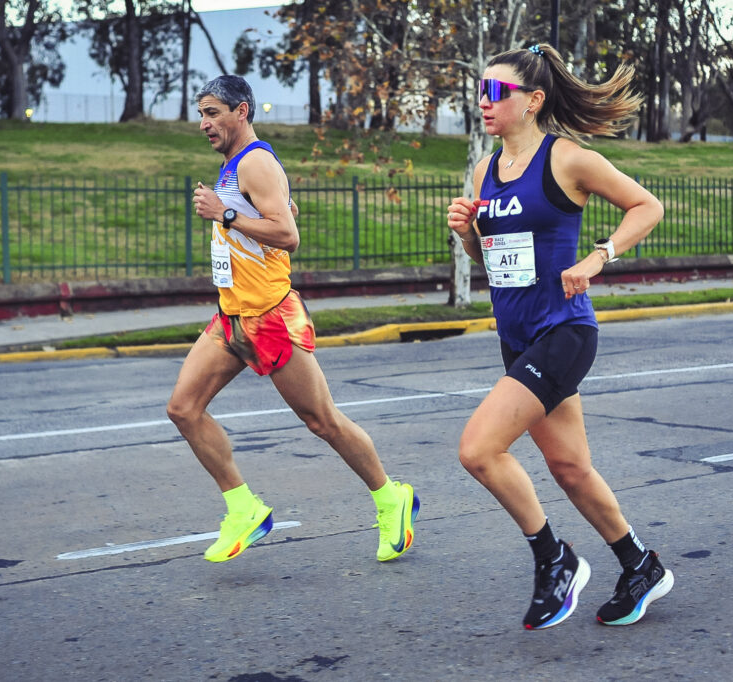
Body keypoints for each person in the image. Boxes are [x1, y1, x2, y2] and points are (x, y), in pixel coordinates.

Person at [446, 44, 671, 629]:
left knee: (478, 449)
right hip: (517, 337)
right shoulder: (485, 170)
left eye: (497, 92)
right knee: (569, 468)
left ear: (533, 100)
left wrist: (599, 257)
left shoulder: (566, 159)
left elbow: (647, 206)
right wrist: (469, 235)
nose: (485, 102)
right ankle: (639, 564)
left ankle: (555, 560)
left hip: (563, 331)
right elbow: (487, 258)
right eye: (481, 92)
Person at [168, 75, 419, 564]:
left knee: (322, 421)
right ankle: (244, 509)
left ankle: (392, 499)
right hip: (231, 317)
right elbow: (276, 218)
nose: (204, 123)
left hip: (270, 317)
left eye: (214, 112)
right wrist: (242, 214)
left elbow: (287, 235)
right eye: (201, 114)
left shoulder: (256, 161)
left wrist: (224, 215)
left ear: (242, 111)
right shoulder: (233, 166)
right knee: (183, 408)